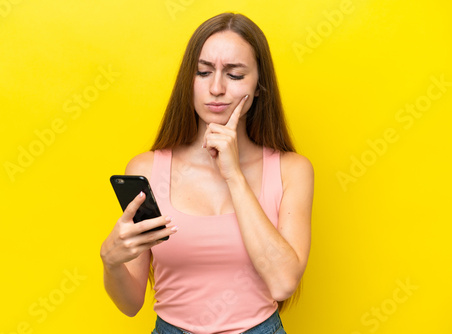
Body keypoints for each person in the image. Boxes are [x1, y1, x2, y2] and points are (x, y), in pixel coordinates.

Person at [100, 12, 314, 334]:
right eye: (203, 72)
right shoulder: (146, 169)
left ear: (259, 88)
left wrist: (234, 175)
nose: (216, 88)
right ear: (190, 81)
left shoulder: (291, 171)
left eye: (235, 75)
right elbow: (131, 304)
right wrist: (111, 261)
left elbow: (283, 283)